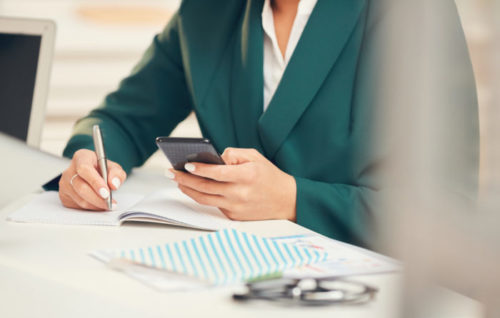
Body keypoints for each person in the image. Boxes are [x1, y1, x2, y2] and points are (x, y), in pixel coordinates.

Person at [56, 0, 478, 247]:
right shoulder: (208, 11)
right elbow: (121, 118)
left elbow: (445, 212)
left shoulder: (413, 12)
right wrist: (90, 158)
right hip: (224, 275)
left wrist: (293, 199)